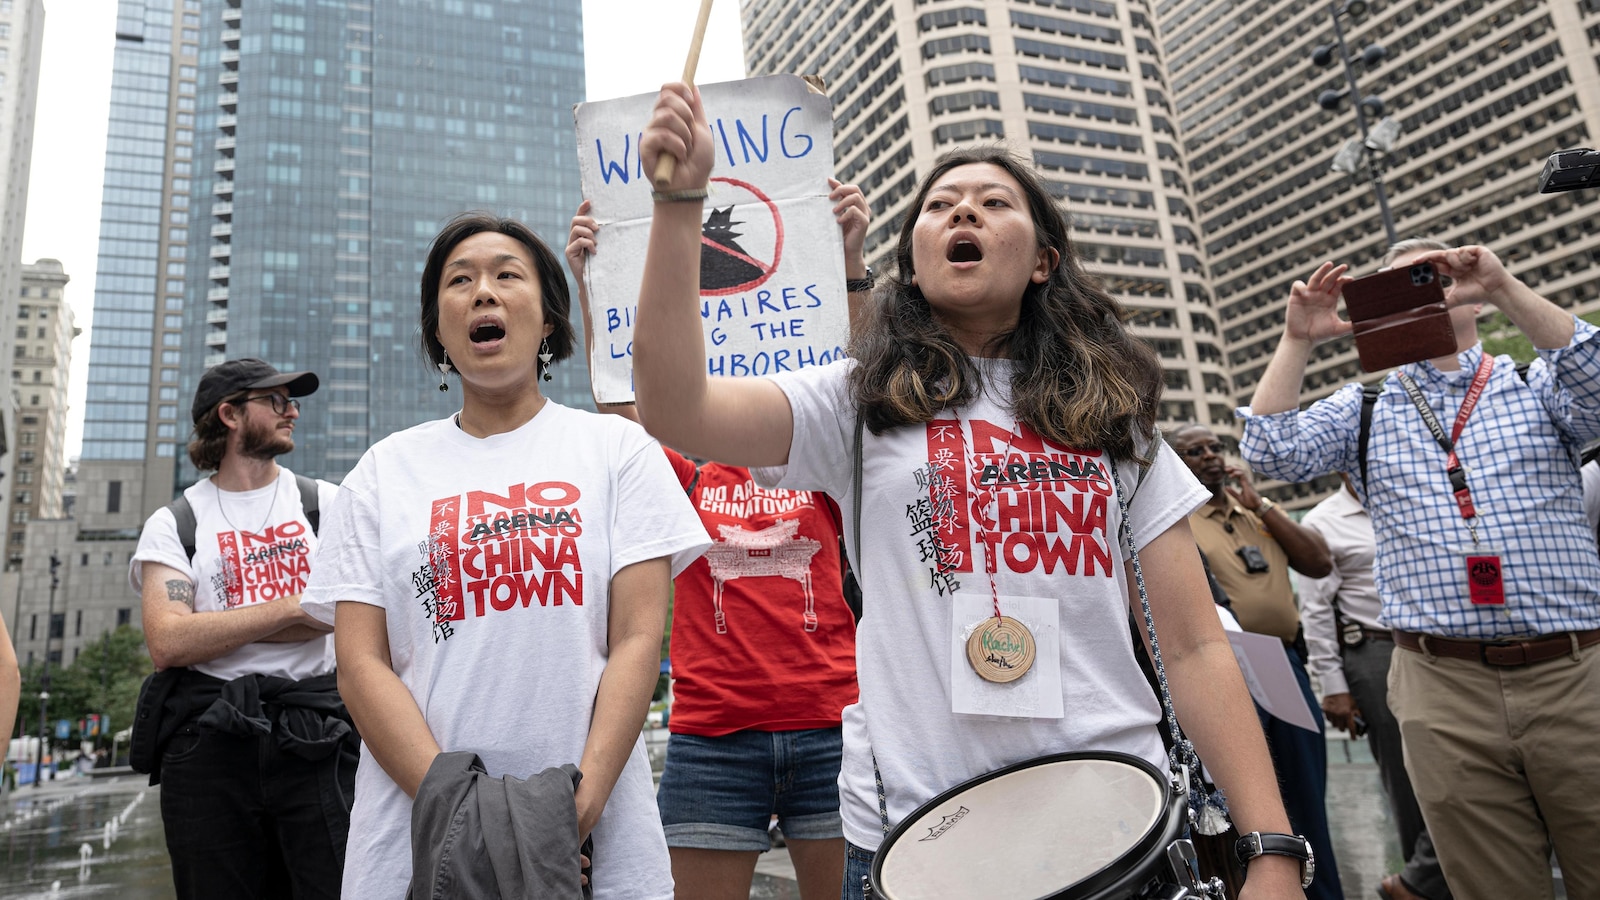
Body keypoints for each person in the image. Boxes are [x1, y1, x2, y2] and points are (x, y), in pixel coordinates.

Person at [629, 82, 1310, 899]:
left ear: (1044, 260)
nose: (964, 215)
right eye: (941, 205)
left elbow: (1196, 644)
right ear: (911, 260)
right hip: (914, 836)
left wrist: (1271, 847)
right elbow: (676, 406)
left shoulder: (1113, 416)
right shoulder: (852, 400)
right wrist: (678, 204)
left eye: (993, 202)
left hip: (1115, 824)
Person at [302, 212, 710, 900]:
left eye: (506, 276)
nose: (483, 292)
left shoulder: (618, 453)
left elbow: (639, 640)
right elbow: (360, 664)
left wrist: (565, 817)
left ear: (548, 318)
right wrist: (470, 820)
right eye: (459, 282)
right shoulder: (381, 472)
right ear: (439, 328)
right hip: (414, 847)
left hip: (597, 843)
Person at [1240, 238, 1600, 899]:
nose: (1425, 287)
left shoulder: (1532, 382)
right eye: (1400, 281)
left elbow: (1597, 378)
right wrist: (1299, 339)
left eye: (1436, 273)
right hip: (1440, 680)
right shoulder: (1367, 406)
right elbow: (1269, 451)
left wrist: (1503, 286)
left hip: (1575, 672)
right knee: (1489, 883)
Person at [567, 185, 866, 900]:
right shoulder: (685, 467)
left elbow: (863, 384)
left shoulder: (818, 455)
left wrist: (848, 261)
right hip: (713, 737)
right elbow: (619, 400)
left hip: (833, 723)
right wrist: (595, 285)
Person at [131, 358, 351, 899]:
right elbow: (168, 642)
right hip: (209, 748)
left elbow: (349, 616)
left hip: (319, 739)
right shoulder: (176, 522)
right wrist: (294, 608)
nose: (293, 412)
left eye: (293, 401)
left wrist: (215, 625)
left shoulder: (327, 504)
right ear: (229, 414)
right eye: (275, 401)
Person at [1167, 424, 1342, 900]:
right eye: (1194, 451)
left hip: (1281, 664)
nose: (1210, 457)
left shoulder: (1254, 513)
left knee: (1306, 793)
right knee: (1252, 803)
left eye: (1215, 448)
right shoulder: (1175, 518)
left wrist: (1260, 504)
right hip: (1225, 669)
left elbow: (1318, 562)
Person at [1300, 476, 1451, 900]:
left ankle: (1421, 882)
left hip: (1440, 647)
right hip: (1375, 652)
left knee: (1462, 769)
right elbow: (1315, 611)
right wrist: (1333, 686)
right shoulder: (1322, 521)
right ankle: (1423, 881)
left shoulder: (1417, 497)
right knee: (1407, 779)